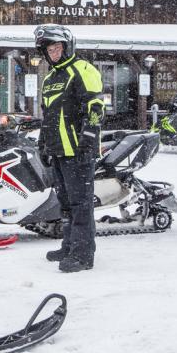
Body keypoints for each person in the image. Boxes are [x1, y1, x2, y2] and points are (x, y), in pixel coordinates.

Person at [34, 24, 105, 273]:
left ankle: (83, 254)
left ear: (66, 46)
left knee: (80, 203)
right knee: (64, 202)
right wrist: (43, 144)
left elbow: (95, 107)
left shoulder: (82, 69)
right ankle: (69, 245)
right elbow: (48, 115)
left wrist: (88, 138)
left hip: (78, 150)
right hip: (58, 150)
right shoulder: (51, 78)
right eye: (49, 50)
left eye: (56, 48)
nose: (53, 53)